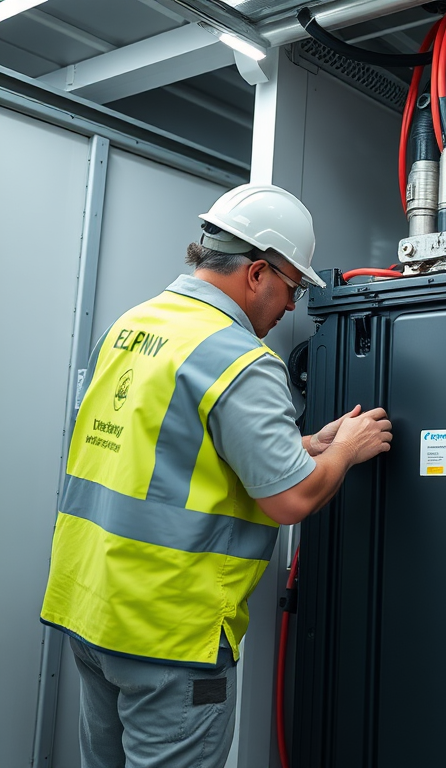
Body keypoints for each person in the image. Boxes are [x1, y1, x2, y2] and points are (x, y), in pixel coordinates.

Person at [40, 183, 392, 768]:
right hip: (169, 633)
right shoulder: (239, 357)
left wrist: (300, 445)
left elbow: (160, 447)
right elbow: (293, 498)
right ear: (257, 273)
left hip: (91, 610)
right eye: (292, 288)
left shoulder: (132, 326)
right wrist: (347, 450)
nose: (289, 307)